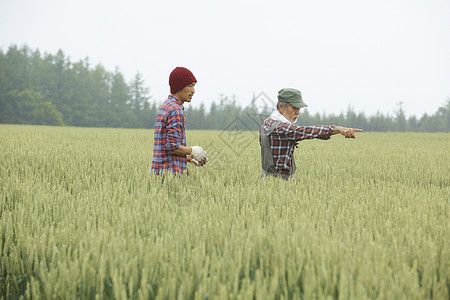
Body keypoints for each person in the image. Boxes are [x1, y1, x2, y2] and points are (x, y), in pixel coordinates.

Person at [260, 88, 363, 180]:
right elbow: (306, 131)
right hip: (280, 182)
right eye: (294, 108)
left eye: (299, 108)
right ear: (282, 107)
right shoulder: (282, 128)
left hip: (265, 178)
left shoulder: (267, 122)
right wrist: (338, 129)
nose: (298, 112)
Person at [151, 67, 208, 176]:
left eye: (194, 86)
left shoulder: (166, 105)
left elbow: (165, 147)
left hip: (159, 172)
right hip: (171, 175)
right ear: (180, 86)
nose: (193, 90)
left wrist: (187, 157)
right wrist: (193, 150)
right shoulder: (175, 110)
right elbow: (172, 146)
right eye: (190, 85)